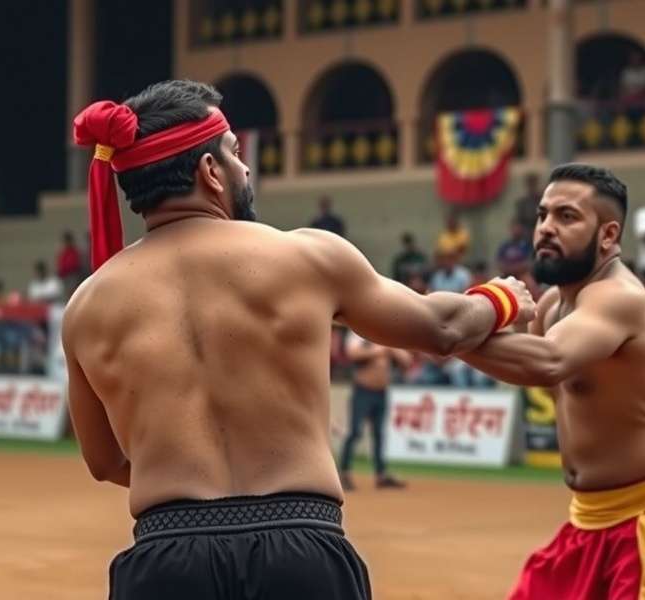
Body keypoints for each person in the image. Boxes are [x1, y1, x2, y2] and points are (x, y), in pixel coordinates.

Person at [65, 80, 535, 600]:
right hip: (300, 549)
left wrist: (191, 487)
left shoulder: (87, 307)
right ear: (209, 171)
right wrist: (502, 298)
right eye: (236, 154)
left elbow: (104, 462)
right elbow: (442, 329)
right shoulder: (307, 258)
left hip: (166, 558)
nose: (245, 170)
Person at [459, 164, 645, 599]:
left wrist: (449, 330)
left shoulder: (619, 298)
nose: (545, 229)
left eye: (566, 216)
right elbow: (536, 373)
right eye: (542, 215)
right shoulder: (551, 306)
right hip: (587, 522)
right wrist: (450, 330)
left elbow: (545, 362)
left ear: (608, 235)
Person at [339, 332, 412, 491]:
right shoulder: (359, 335)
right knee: (354, 432)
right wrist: (379, 351)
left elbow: (406, 360)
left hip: (381, 392)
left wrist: (389, 349)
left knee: (379, 433)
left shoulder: (385, 337)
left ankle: (381, 475)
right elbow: (352, 353)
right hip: (363, 390)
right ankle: (344, 473)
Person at [514, 172, 542, 240]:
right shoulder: (522, 202)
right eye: (530, 184)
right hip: (526, 232)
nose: (532, 187)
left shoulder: (542, 200)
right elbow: (519, 219)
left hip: (539, 229)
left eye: (533, 184)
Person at [56, 230, 83, 297]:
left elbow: (76, 264)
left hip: (73, 276)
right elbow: (60, 265)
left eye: (67, 241)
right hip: (64, 277)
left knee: (73, 292)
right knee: (66, 293)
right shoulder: (63, 253)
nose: (66, 243)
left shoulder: (75, 252)